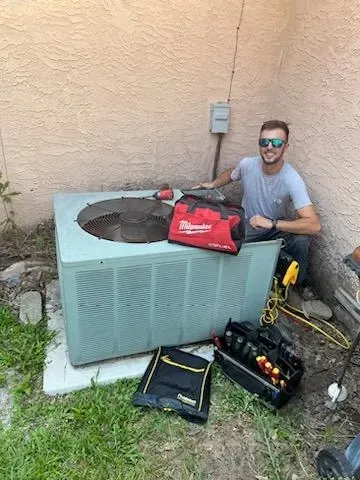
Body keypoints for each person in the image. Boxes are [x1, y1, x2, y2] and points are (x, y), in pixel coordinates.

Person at [194, 120, 321, 293]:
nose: (269, 147)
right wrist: (213, 184)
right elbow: (231, 173)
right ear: (259, 144)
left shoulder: (292, 179)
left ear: (286, 147)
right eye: (264, 142)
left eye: (276, 143)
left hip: (275, 228)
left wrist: (273, 223)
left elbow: (314, 225)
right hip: (248, 226)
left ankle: (299, 286)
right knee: (221, 246)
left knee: (302, 240)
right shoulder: (248, 164)